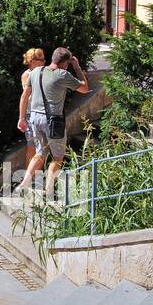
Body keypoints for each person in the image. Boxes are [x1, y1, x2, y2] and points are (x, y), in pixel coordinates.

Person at [17, 47, 89, 199]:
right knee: (57, 158)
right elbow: (84, 88)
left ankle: (24, 182)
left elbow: (24, 96)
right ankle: (49, 191)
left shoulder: (36, 72)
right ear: (65, 63)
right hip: (52, 121)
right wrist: (76, 66)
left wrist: (21, 118)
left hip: (34, 118)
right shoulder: (63, 74)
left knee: (40, 153)